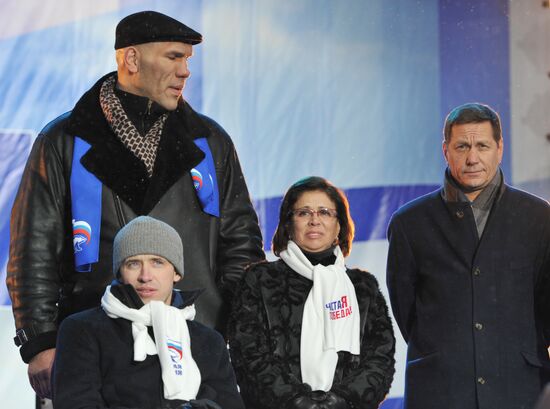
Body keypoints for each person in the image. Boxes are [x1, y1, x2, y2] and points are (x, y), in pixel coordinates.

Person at [6, 10, 264, 401]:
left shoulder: (211, 142)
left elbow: (241, 247)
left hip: (193, 343)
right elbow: (33, 250)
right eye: (173, 57)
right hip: (93, 349)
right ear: (131, 59)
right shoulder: (63, 140)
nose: (184, 72)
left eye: (187, 61)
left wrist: (235, 337)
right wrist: (40, 343)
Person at [386, 102, 550, 409]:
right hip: (440, 390)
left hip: (520, 388)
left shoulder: (539, 218)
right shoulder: (410, 223)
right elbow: (407, 313)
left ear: (500, 148)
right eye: (462, 146)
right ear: (445, 150)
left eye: (482, 146)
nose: (472, 158)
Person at [227, 176, 395, 409]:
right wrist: (297, 401)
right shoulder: (258, 280)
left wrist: (341, 401)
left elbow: (380, 359)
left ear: (339, 225)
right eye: (304, 213)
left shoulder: (363, 287)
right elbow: (248, 355)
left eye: (325, 212)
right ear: (288, 223)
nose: (315, 220)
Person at [53, 216, 245, 409]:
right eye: (133, 264)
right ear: (120, 273)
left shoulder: (209, 341)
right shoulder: (82, 330)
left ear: (177, 272)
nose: (145, 276)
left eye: (157, 262)